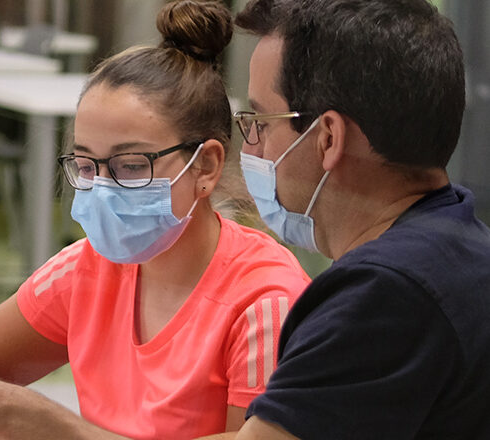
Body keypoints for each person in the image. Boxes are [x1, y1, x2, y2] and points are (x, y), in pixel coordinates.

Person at [0, 1, 311, 439]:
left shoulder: (264, 305)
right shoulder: (85, 270)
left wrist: (40, 421)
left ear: (206, 166)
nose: (103, 188)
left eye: (131, 166)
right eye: (87, 167)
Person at [201, 0, 490, 438]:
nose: (252, 149)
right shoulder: (460, 246)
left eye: (260, 122)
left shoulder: (383, 296)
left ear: (328, 137)